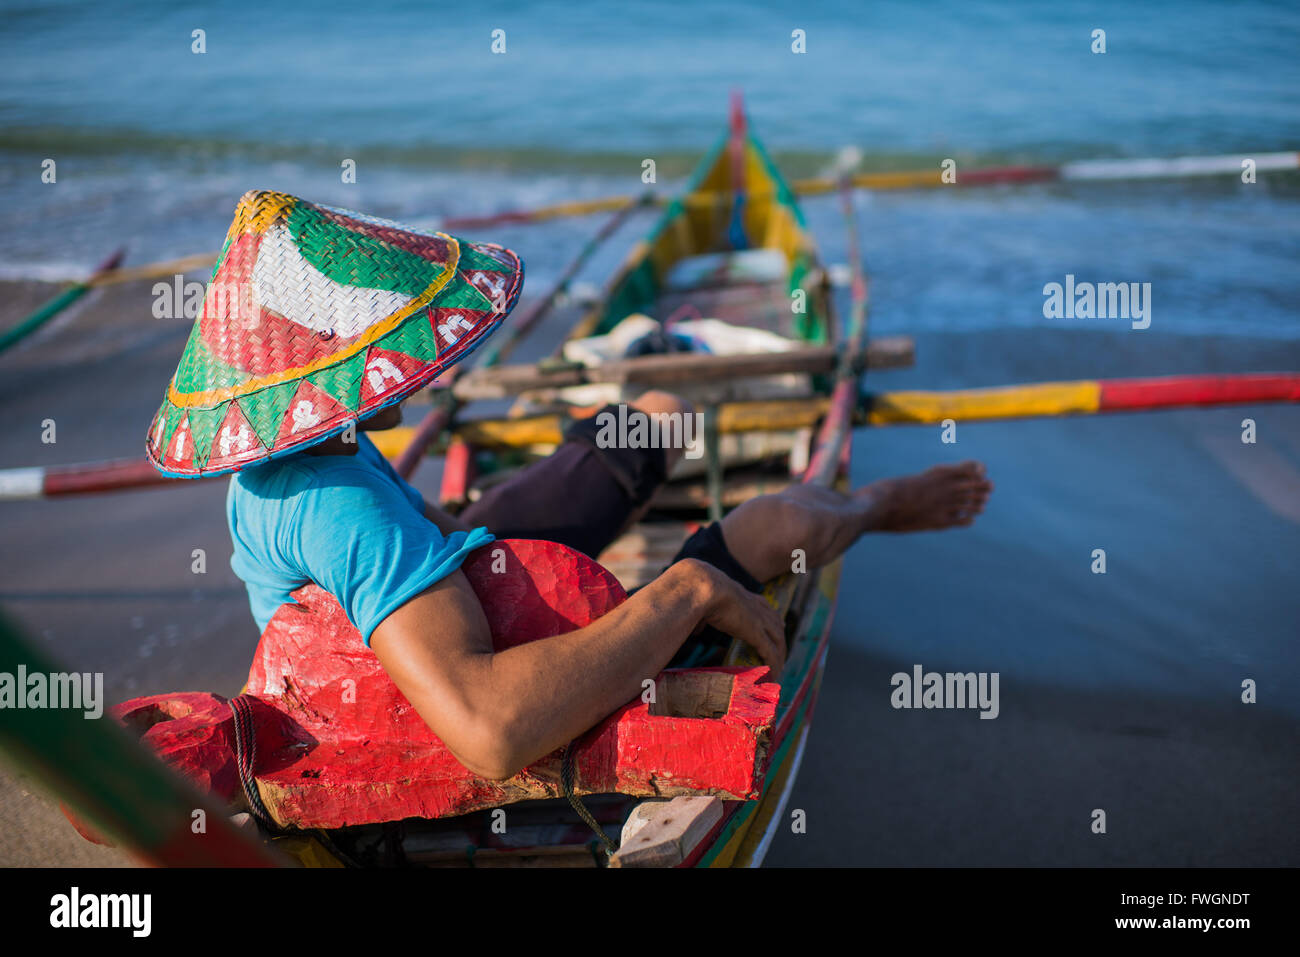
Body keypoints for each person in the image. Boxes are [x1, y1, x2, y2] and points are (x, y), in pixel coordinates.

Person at [146, 190, 992, 781]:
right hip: (515, 650)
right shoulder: (347, 514)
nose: (408, 371)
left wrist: (463, 537)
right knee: (771, 529)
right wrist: (686, 593)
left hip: (464, 570)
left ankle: (659, 394)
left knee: (657, 413)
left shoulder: (284, 461)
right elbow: (489, 733)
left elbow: (409, 536)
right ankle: (880, 505)